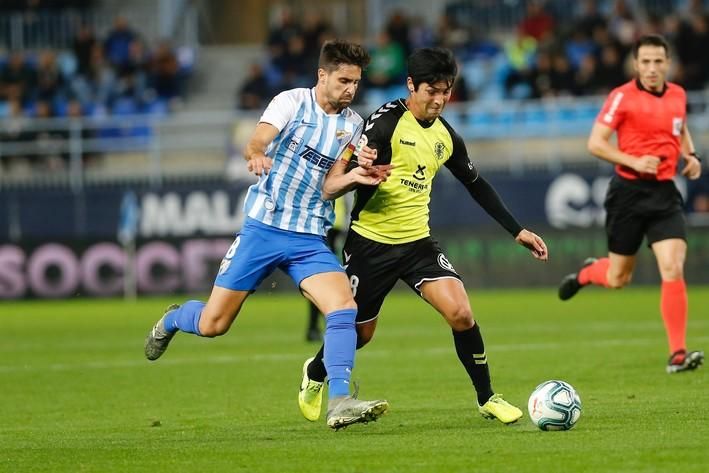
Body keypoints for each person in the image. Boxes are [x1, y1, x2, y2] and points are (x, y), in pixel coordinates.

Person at [144, 39, 391, 430]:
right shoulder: (291, 102)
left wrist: (358, 177)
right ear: (322, 76)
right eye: (344, 80)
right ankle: (175, 319)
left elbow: (328, 187)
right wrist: (257, 153)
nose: (350, 90)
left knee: (344, 308)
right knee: (213, 324)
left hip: (309, 237)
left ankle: (340, 399)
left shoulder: (353, 126)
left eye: (356, 83)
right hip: (264, 228)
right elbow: (257, 140)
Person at [298, 47, 549, 425]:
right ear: (412, 85)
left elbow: (476, 185)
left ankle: (487, 397)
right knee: (360, 335)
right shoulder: (383, 125)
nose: (439, 100)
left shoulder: (446, 136)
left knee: (461, 313)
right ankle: (315, 372)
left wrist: (517, 231)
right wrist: (362, 174)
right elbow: (338, 178)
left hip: (418, 243)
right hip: (370, 243)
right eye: (432, 91)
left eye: (446, 91)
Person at [558, 34, 704, 374]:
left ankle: (678, 354)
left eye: (658, 61)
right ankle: (588, 274)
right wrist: (634, 161)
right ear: (636, 65)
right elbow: (595, 143)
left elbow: (679, 130)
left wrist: (690, 154)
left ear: (668, 63)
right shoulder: (621, 97)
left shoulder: (679, 95)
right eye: (646, 62)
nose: (652, 68)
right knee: (619, 277)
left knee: (673, 266)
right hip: (628, 194)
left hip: (664, 193)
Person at [305, 196, 350, 342]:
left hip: (332, 228)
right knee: (323, 283)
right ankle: (320, 326)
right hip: (326, 228)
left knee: (323, 284)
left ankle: (316, 327)